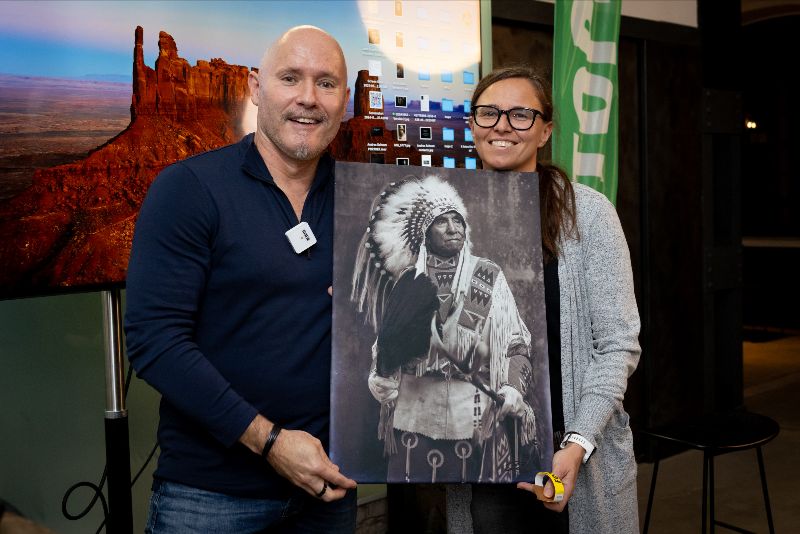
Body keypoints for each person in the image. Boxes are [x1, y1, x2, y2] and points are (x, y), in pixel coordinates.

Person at [124, 26, 357, 533]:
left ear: (345, 99)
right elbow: (153, 340)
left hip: (327, 489)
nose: (308, 98)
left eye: (326, 83)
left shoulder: (363, 201)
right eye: (290, 78)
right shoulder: (189, 189)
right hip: (208, 499)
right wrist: (271, 443)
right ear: (255, 87)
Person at [445, 66, 641, 534]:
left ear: (545, 130)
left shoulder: (586, 213)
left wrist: (578, 442)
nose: (502, 126)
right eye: (489, 113)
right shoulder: (451, 217)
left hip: (567, 450)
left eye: (521, 114)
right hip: (482, 449)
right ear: (472, 124)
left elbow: (618, 344)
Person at [351, 175, 539, 484]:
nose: (453, 228)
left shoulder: (486, 276)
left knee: (469, 500)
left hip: (473, 414)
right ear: (425, 233)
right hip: (414, 415)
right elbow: (385, 351)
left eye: (458, 220)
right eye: (442, 221)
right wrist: (384, 370)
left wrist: (513, 388)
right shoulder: (410, 280)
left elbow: (515, 343)